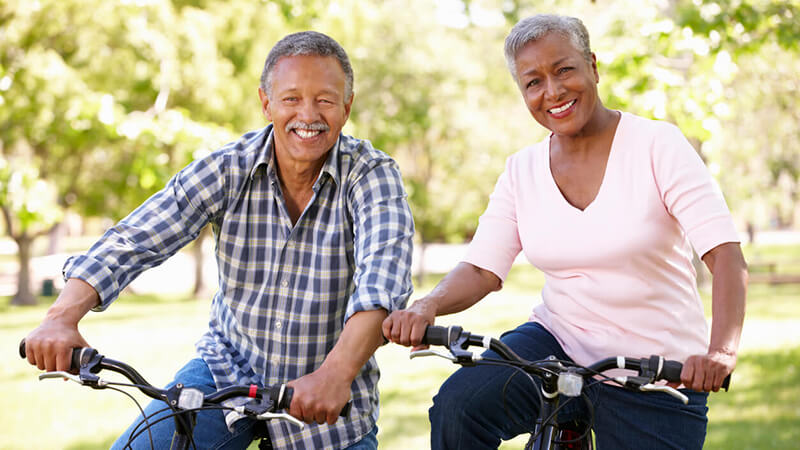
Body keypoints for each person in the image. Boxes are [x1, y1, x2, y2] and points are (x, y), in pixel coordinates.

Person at [23, 31, 414, 449]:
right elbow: (137, 237)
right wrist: (61, 317)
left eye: (324, 99)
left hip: (327, 398)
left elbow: (381, 280)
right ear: (266, 103)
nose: (308, 114)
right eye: (291, 98)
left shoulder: (371, 174)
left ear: (346, 107)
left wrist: (336, 374)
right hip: (226, 371)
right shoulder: (229, 167)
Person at [382, 14, 747, 450]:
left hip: (658, 372)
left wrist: (720, 353)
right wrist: (428, 305)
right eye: (533, 82)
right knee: (460, 406)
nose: (552, 92)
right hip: (556, 348)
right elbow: (482, 268)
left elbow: (724, 255)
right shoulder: (522, 170)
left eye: (564, 70)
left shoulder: (657, 146)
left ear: (592, 66)